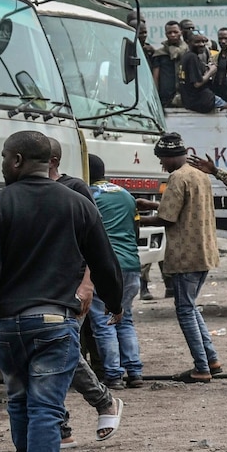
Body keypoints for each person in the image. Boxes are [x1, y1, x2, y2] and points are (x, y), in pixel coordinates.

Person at [0, 131, 123, 452]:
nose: (2, 163)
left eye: (4, 157)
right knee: (45, 409)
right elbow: (104, 261)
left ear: (18, 160)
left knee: (19, 404)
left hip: (7, 326)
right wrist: (115, 303)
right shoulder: (77, 203)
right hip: (55, 323)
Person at [49, 139, 125, 444]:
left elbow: (95, 241)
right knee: (49, 355)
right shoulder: (22, 190)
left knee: (64, 351)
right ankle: (60, 426)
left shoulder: (75, 189)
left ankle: (102, 401)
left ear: (51, 160)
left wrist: (88, 283)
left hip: (71, 286)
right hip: (38, 287)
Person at [134, 133, 221, 384]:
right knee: (191, 307)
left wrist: (135, 219)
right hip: (204, 252)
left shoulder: (177, 177)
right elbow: (184, 207)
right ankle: (211, 360)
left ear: (171, 157)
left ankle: (201, 368)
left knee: (184, 310)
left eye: (162, 159)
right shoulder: (199, 174)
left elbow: (167, 218)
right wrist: (150, 204)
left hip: (186, 255)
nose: (162, 165)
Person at [87, 154, 144, 390]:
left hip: (105, 265)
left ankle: (113, 374)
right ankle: (135, 371)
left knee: (104, 321)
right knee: (125, 318)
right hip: (131, 263)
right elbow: (136, 229)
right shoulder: (125, 194)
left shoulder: (88, 195)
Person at [179, 32, 224, 113]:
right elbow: (197, 83)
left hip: (191, 100)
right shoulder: (192, 57)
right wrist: (211, 71)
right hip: (200, 100)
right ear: (188, 42)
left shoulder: (186, 56)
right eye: (197, 42)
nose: (202, 44)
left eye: (203, 41)